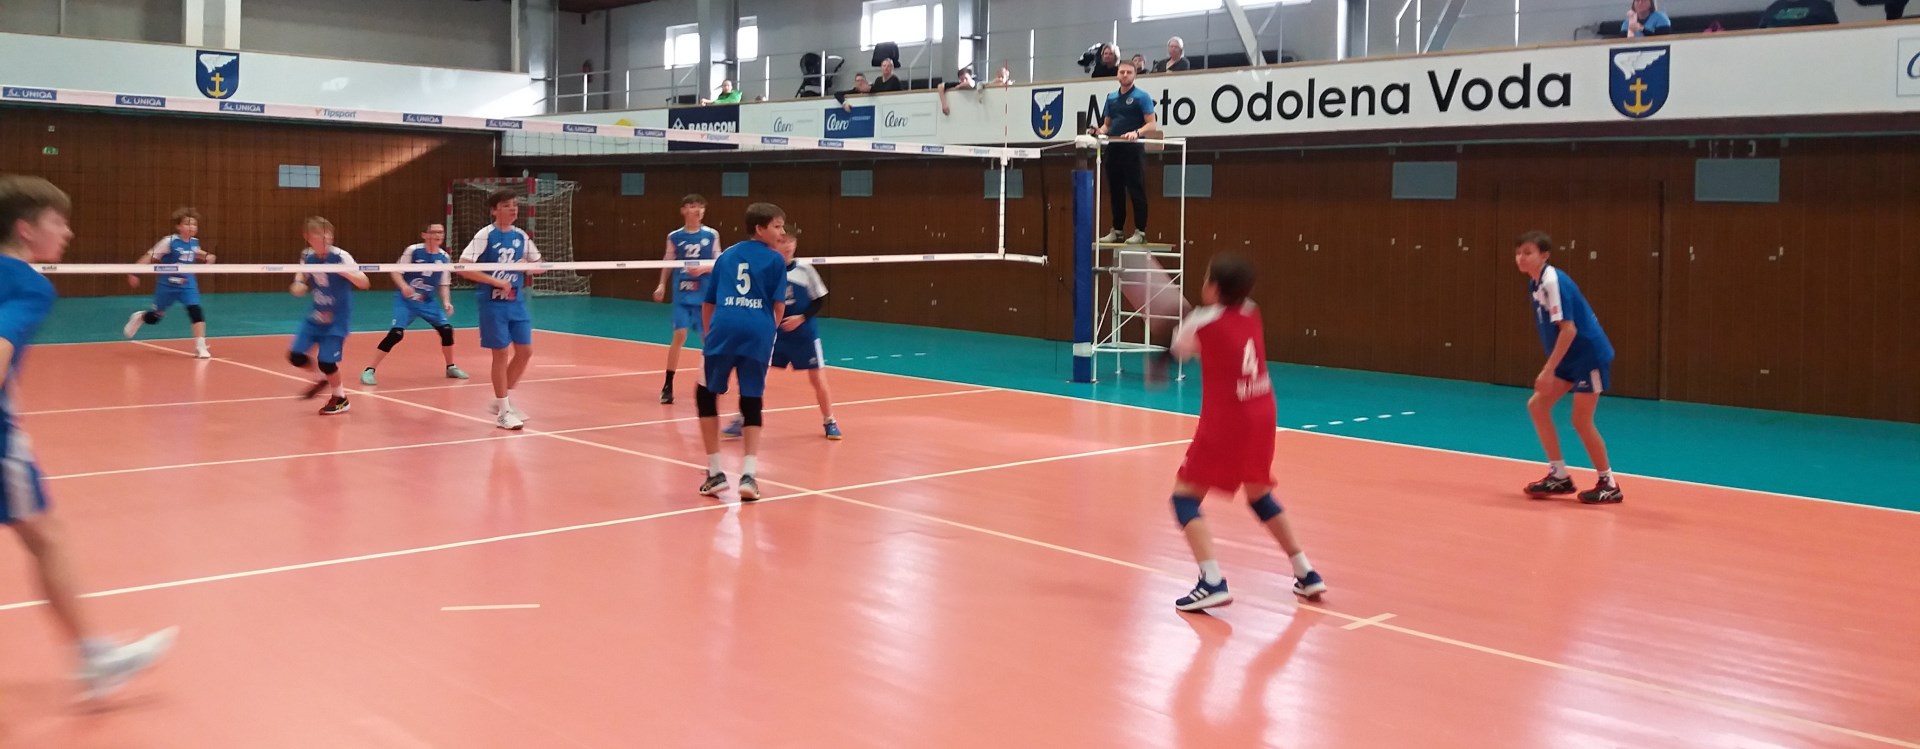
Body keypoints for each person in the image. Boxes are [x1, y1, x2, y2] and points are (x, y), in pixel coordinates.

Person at [1, 174, 178, 699]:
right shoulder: (28, 285)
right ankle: (94, 659)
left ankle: (93, 656)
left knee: (45, 533)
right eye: (58, 221)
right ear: (26, 229)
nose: (69, 232)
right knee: (47, 535)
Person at [1157, 254, 1325, 612]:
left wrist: (1172, 333)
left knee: (1184, 497)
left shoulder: (1199, 321)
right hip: (1262, 413)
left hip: (1227, 420)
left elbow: (1179, 351)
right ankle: (1306, 571)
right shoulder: (1252, 310)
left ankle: (1211, 580)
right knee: (1259, 494)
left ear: (1213, 288)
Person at [1514, 231, 1623, 505]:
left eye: (1528, 252)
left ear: (1544, 255)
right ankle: (1559, 475)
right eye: (1518, 253)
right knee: (1537, 406)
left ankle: (1609, 483)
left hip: (1588, 356)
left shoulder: (1553, 282)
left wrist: (1549, 369)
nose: (1521, 258)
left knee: (1580, 420)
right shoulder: (1535, 284)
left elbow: (1569, 330)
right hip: (1569, 359)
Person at [695, 204, 789, 501]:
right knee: (751, 399)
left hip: (723, 330)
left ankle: (715, 473)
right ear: (759, 229)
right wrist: (768, 333)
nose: (782, 232)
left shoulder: (727, 255)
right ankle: (749, 476)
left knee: (705, 394)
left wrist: (709, 337)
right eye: (777, 226)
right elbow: (779, 306)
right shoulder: (776, 260)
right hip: (758, 333)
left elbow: (709, 303)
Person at [723, 227, 840, 441]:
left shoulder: (805, 270)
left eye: (791, 242)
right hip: (774, 334)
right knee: (755, 374)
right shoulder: (766, 270)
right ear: (773, 244)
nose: (787, 246)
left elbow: (819, 300)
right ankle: (742, 417)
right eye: (782, 241)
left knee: (817, 378)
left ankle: (829, 420)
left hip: (804, 334)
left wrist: (801, 318)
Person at [456, 190, 545, 430]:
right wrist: (495, 281)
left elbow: (540, 265)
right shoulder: (485, 235)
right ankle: (504, 411)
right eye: (506, 205)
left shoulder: (521, 236)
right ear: (494, 210)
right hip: (492, 303)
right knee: (501, 353)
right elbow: (463, 267)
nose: (513, 209)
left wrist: (528, 265)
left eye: (515, 205)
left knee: (525, 351)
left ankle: (501, 400)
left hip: (516, 302)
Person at [361, 223, 467, 386]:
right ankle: (369, 369)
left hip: (427, 301)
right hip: (406, 301)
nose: (438, 235)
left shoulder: (444, 257)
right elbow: (395, 271)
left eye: (441, 232)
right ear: (424, 235)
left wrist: (446, 301)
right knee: (396, 334)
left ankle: (450, 367)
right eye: (434, 232)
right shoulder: (413, 251)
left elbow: (444, 283)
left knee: (446, 330)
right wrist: (404, 286)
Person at [287, 217, 369, 415]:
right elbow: (299, 281)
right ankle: (320, 378)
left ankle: (340, 398)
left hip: (337, 318)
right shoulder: (307, 256)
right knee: (296, 356)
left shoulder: (341, 256)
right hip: (316, 315)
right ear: (308, 238)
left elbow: (364, 283)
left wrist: (346, 273)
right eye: (321, 235)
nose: (327, 238)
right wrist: (298, 286)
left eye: (329, 235)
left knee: (326, 362)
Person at [122, 207, 216, 359]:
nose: (192, 227)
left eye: (194, 224)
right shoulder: (168, 241)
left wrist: (208, 256)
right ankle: (141, 317)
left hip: (187, 284)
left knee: (195, 310)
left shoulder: (194, 242)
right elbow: (149, 256)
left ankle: (200, 346)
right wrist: (134, 272)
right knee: (154, 318)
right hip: (167, 285)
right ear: (178, 226)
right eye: (187, 224)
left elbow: (195, 252)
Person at [654, 195, 719, 405]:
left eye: (700, 206)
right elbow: (668, 261)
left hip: (704, 296)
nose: (697, 210)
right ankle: (668, 385)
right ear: (683, 210)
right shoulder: (674, 236)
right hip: (682, 294)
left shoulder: (711, 235)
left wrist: (703, 269)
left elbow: (718, 262)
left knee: (708, 339)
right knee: (679, 335)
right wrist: (662, 284)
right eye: (692, 206)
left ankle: (713, 379)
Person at [1088, 60, 1158, 245]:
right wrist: (1099, 131)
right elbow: (1107, 125)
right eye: (1122, 72)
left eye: (1128, 72)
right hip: (1114, 147)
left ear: (1135, 75)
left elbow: (1151, 124)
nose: (1125, 75)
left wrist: (1137, 133)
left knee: (1136, 189)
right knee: (1115, 189)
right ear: (1117, 74)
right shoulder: (1111, 97)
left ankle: (1140, 231)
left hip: (1132, 148)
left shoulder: (1142, 96)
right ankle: (1117, 230)